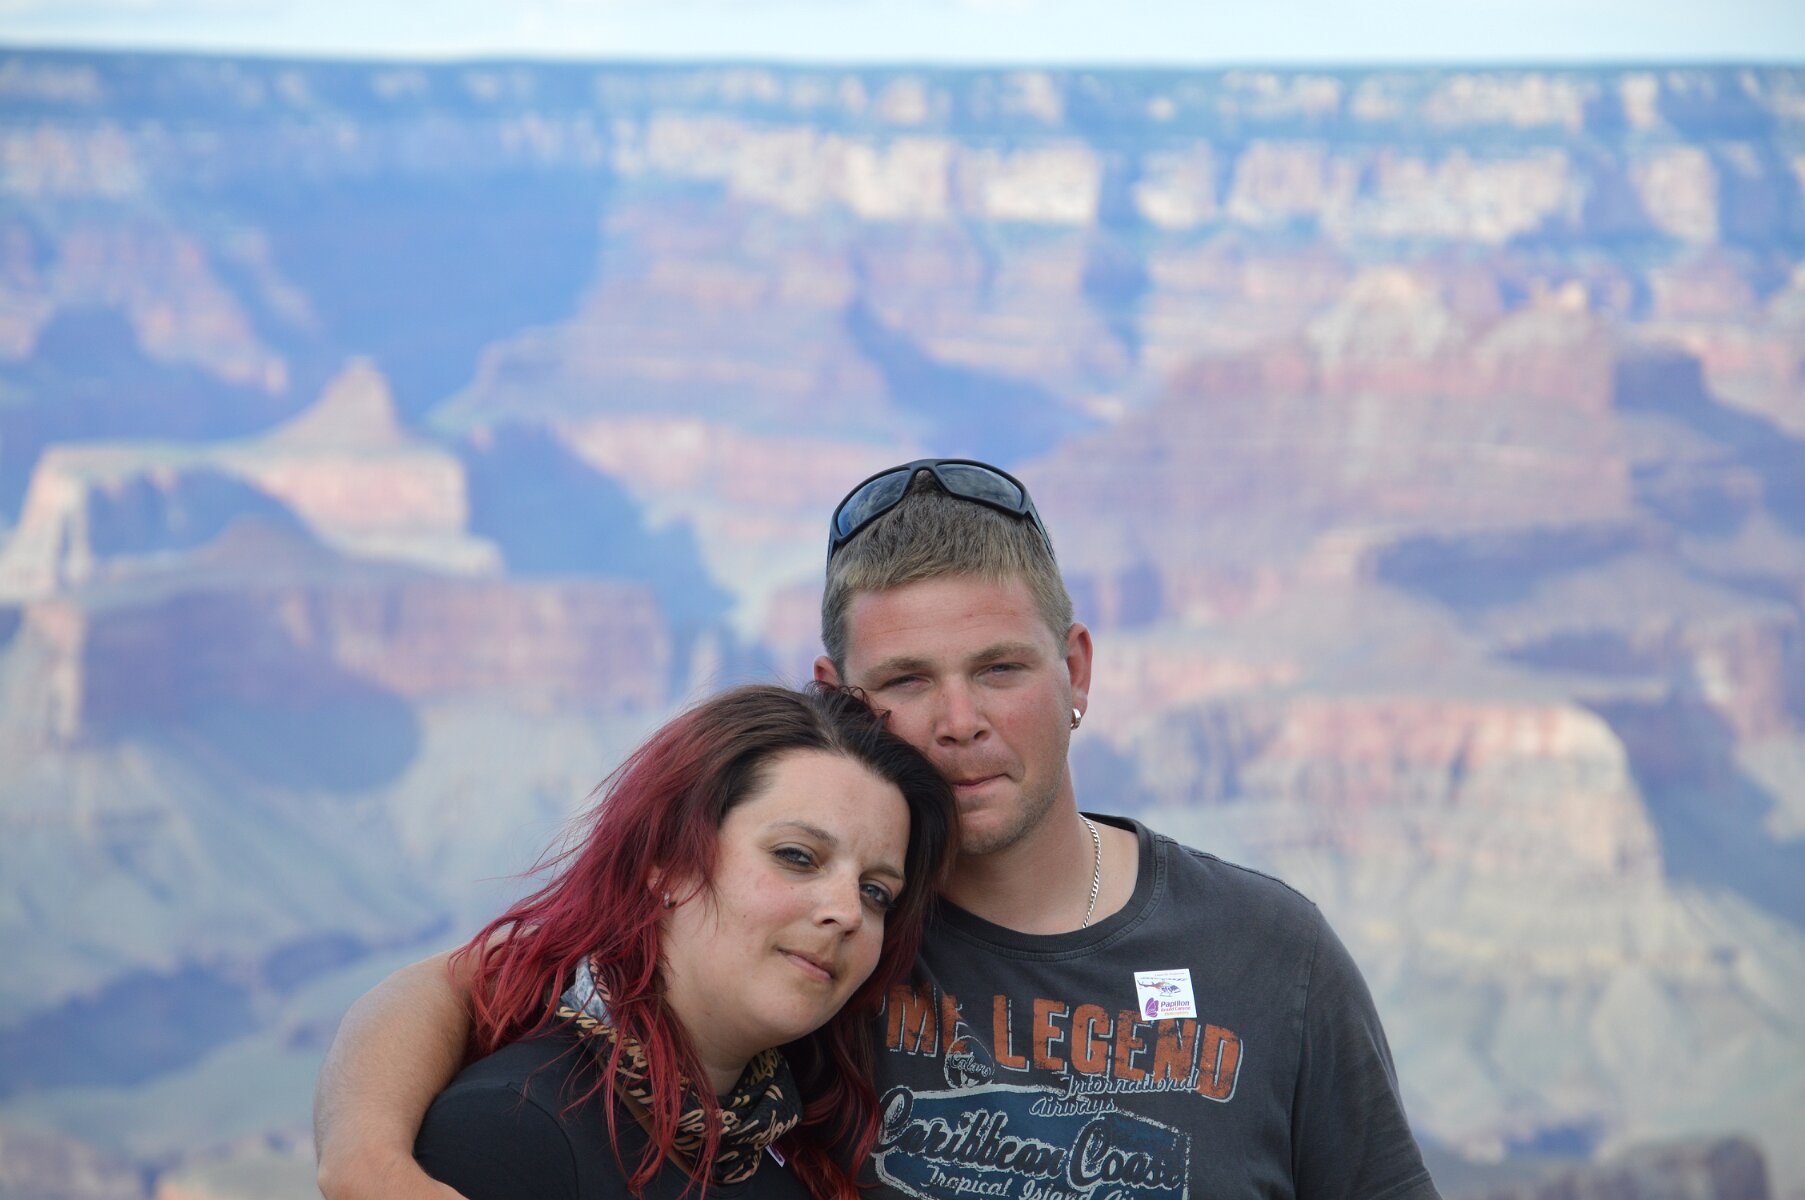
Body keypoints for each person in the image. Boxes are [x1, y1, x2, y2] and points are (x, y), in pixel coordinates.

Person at [315, 458, 1441, 1200]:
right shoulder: (803, 946)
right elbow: (472, 987)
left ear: (1076, 669)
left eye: (1000, 668)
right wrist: (367, 1163)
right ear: (840, 695)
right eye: (905, 679)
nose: (959, 722)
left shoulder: (1263, 951)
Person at [395, 683, 956, 1200]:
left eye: (876, 892)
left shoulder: (793, 1152)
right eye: (797, 856)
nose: (849, 912)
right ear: (666, 861)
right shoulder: (510, 1128)